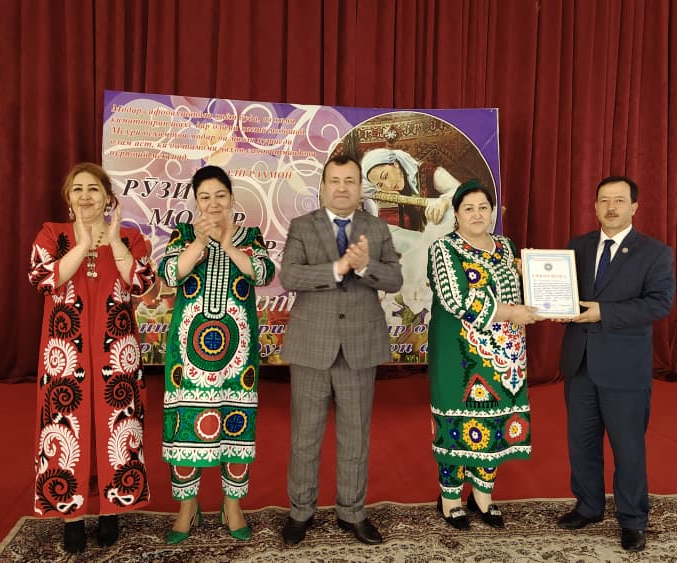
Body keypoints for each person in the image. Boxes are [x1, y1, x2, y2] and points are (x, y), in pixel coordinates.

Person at [28, 162, 156, 554]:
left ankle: (112, 509)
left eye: (94, 189)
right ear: (68, 197)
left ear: (108, 197)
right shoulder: (53, 234)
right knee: (67, 428)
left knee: (117, 427)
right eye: (77, 189)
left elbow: (142, 284)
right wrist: (83, 243)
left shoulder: (129, 237)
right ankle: (71, 515)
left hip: (117, 349)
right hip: (65, 351)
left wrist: (113, 241)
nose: (85, 196)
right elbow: (43, 280)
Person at [279, 155, 403, 546]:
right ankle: (300, 511)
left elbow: (395, 279)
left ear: (360, 187)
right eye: (335, 180)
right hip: (311, 346)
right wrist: (336, 269)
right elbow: (289, 276)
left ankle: (352, 512)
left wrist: (365, 267)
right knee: (304, 436)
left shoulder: (376, 228)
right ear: (323, 186)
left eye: (350, 180)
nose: (342, 188)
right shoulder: (302, 226)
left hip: (359, 347)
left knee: (355, 436)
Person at [555, 176, 675, 552]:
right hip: (579, 363)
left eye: (620, 200)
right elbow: (562, 292)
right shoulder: (577, 247)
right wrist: (550, 302)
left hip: (624, 369)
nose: (611, 207)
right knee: (582, 442)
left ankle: (633, 519)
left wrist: (604, 313)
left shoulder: (655, 253)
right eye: (604, 200)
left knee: (628, 448)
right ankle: (588, 506)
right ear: (594, 206)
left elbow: (659, 303)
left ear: (634, 207)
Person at [158, 165, 274, 544]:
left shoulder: (250, 236)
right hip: (188, 355)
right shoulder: (183, 234)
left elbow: (261, 273)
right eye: (204, 197)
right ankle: (188, 507)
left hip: (238, 357)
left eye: (220, 196)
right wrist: (199, 243)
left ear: (232, 198)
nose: (213, 204)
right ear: (195, 202)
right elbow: (170, 273)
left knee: (236, 423)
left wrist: (226, 244)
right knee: (186, 425)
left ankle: (232, 504)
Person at [426, 179, 540, 530]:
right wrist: (511, 313)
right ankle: (450, 498)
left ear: (493, 212)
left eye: (483, 208)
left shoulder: (506, 247)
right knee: (458, 422)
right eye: (468, 208)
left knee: (492, 423)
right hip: (459, 355)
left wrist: (530, 273)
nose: (477, 214)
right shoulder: (444, 248)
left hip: (504, 355)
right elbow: (456, 299)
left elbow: (517, 290)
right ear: (456, 214)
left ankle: (482, 496)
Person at [360, 148, 461, 315]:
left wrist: (445, 201)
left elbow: (467, 193)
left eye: (385, 176)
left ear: (395, 164)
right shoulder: (393, 188)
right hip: (424, 239)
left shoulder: (431, 173)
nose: (387, 186)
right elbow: (360, 189)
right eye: (380, 185)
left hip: (450, 232)